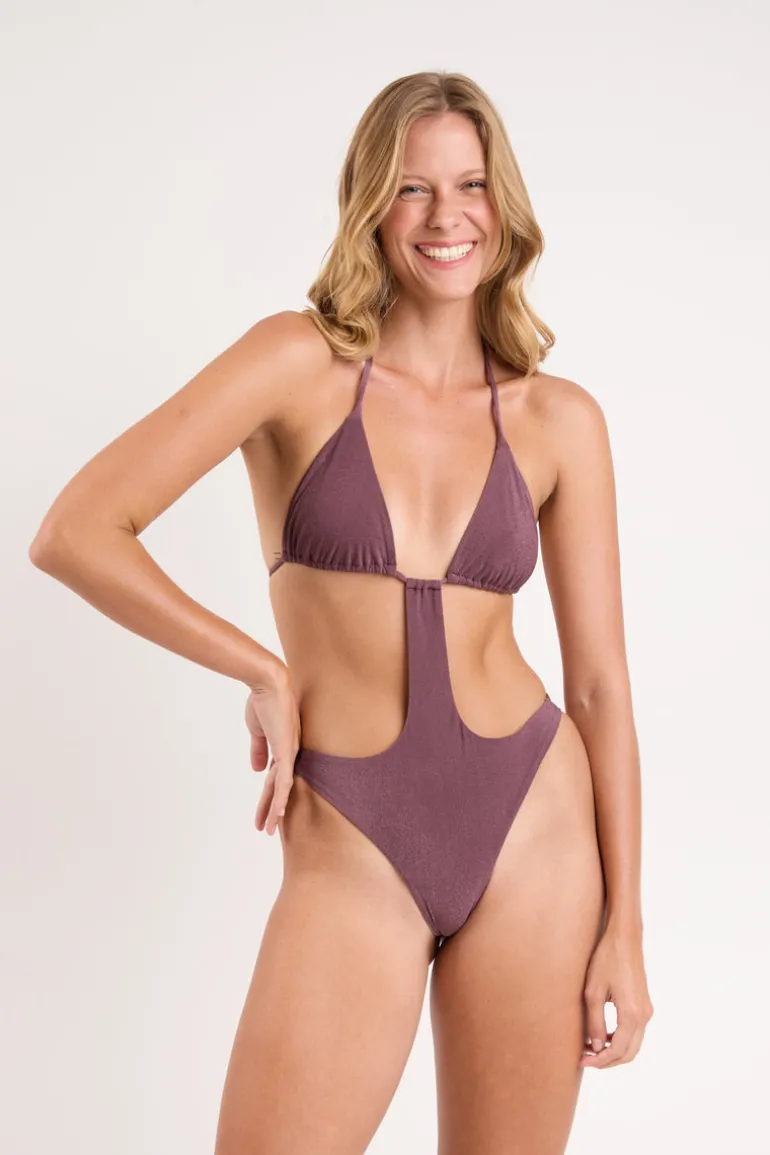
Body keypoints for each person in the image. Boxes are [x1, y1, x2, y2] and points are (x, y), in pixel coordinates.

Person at [30, 70, 653, 1155]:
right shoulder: (297, 362)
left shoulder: (560, 420)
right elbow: (77, 529)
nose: (446, 216)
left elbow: (598, 686)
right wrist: (259, 667)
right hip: (354, 827)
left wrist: (626, 930)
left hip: (535, 826)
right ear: (371, 203)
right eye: (413, 188)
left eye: (470, 185)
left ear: (503, 204)